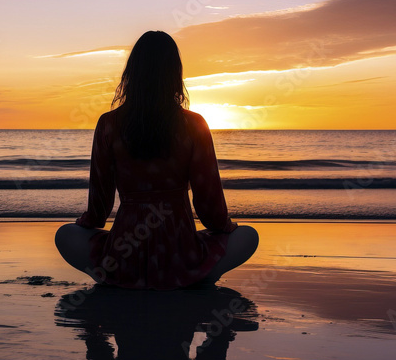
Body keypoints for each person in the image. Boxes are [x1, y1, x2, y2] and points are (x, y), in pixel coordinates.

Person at [55, 30, 259, 290]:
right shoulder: (194, 124)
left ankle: (114, 277)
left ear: (132, 73)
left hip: (123, 254)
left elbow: (99, 207)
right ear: (174, 74)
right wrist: (224, 226)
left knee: (65, 235)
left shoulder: (109, 124)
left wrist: (87, 224)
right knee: (248, 236)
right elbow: (210, 205)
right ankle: (198, 275)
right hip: (181, 254)